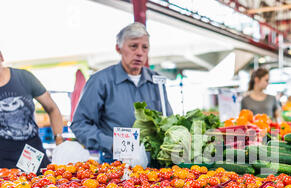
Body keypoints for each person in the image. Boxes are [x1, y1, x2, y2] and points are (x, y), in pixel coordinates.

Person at [71, 22, 173, 164]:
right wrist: (111, 144)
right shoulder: (101, 81)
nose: (139, 52)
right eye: (133, 46)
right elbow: (80, 124)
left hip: (155, 166)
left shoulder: (156, 81)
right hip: (115, 164)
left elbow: (169, 120)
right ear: (118, 48)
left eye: (145, 47)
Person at [0, 49, 64, 169]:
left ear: (1, 57)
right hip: (3, 160)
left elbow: (52, 108)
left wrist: (59, 141)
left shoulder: (23, 77)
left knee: (42, 186)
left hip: (32, 154)